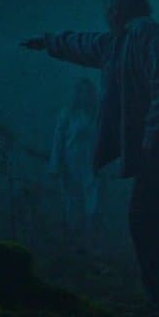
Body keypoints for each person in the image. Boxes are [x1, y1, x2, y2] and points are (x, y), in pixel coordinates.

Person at [21, 0, 159, 317]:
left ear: (122, 8)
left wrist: (151, 139)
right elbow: (84, 44)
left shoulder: (149, 35)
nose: (107, 12)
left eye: (111, 5)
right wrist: (49, 42)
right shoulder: (119, 42)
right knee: (147, 225)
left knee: (144, 223)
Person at [49, 78, 103, 258]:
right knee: (72, 205)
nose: (84, 95)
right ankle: (74, 245)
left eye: (88, 91)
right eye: (81, 91)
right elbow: (58, 141)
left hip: (92, 164)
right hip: (71, 165)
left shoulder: (98, 114)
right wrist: (55, 166)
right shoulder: (67, 114)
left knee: (93, 205)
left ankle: (91, 244)